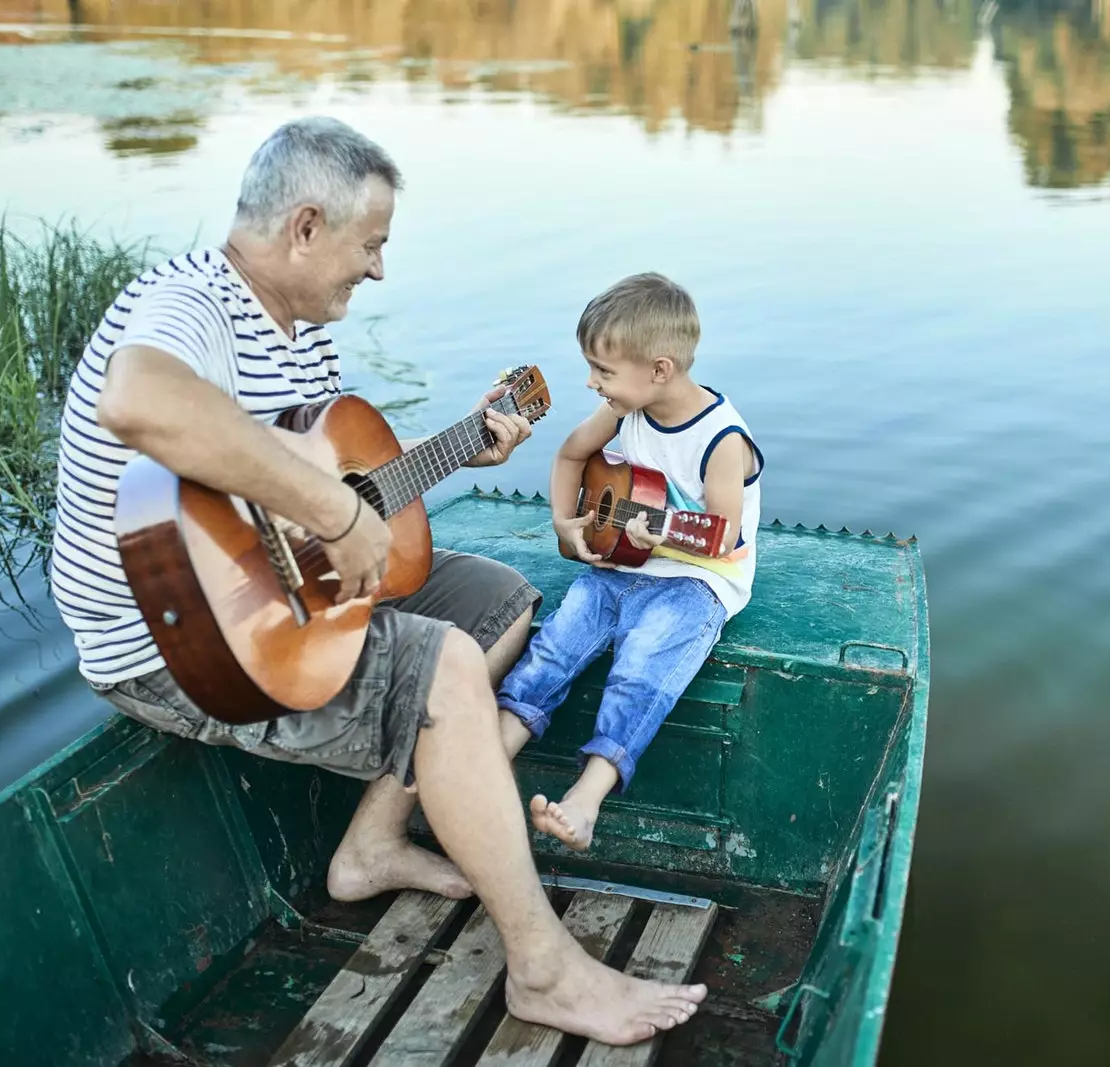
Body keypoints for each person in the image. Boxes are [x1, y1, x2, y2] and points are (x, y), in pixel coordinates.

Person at [50, 117, 705, 1044]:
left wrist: (442, 459)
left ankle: (369, 847)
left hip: (277, 602)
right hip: (185, 647)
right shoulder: (189, 302)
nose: (380, 269)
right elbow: (141, 398)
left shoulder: (300, 332)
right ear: (306, 227)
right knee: (439, 664)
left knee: (499, 601)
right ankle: (546, 971)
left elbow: (339, 478)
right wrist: (334, 511)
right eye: (373, 244)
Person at [496, 272, 764, 852]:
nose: (593, 383)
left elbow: (720, 536)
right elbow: (571, 454)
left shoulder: (722, 439)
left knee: (640, 671)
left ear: (660, 369)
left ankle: (585, 800)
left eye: (604, 372)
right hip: (618, 566)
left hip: (696, 580)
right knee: (552, 649)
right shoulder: (624, 411)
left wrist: (662, 537)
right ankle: (485, 768)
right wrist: (566, 526)